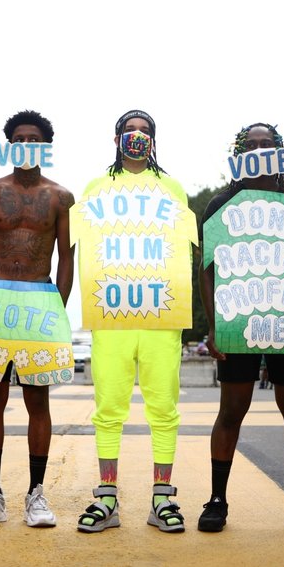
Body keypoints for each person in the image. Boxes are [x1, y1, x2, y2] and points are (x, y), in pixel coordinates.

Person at [196, 123, 284, 534]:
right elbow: (206, 270)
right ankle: (217, 499)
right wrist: (214, 326)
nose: (259, 150)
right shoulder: (223, 203)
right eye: (251, 145)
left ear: (280, 151)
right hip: (238, 319)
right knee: (232, 411)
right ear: (239, 153)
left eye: (267, 144)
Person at [0, 110, 74, 528]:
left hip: (38, 301)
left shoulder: (60, 197)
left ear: (45, 147)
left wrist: (57, 308)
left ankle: (36, 494)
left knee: (37, 399)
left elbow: (66, 257)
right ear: (8, 144)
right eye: (19, 137)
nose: (26, 143)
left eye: (34, 138)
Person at [76, 109, 193, 534]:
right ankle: (107, 497)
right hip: (111, 314)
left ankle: (162, 498)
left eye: (145, 131)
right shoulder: (95, 188)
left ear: (155, 140)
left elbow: (183, 251)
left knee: (164, 408)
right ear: (116, 138)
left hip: (162, 314)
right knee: (109, 409)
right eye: (130, 130)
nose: (137, 136)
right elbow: (84, 251)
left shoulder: (172, 188)